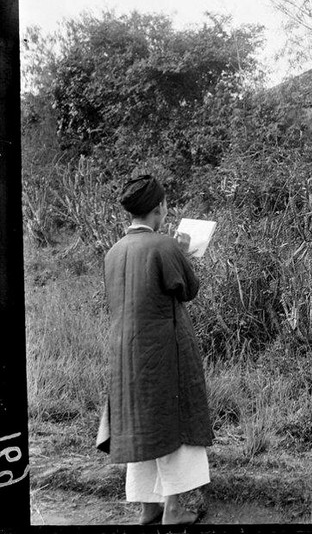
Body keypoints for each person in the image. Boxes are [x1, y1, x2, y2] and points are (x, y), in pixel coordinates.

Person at [96, 174, 212, 526]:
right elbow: (188, 289)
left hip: (125, 352)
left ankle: (149, 507)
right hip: (164, 348)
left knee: (140, 423)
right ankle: (173, 509)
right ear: (160, 207)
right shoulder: (164, 246)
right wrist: (183, 251)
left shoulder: (114, 251)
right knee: (174, 423)